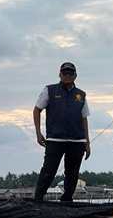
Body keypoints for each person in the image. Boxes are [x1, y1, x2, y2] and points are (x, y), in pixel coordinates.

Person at [33, 62, 91, 201]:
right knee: (49, 170)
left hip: (77, 140)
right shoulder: (50, 90)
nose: (67, 76)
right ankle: (38, 198)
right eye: (65, 73)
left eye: (70, 73)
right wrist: (38, 132)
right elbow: (37, 109)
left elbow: (84, 118)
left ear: (75, 76)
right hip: (55, 139)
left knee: (72, 173)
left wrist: (87, 142)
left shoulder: (81, 95)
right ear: (60, 75)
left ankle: (67, 200)